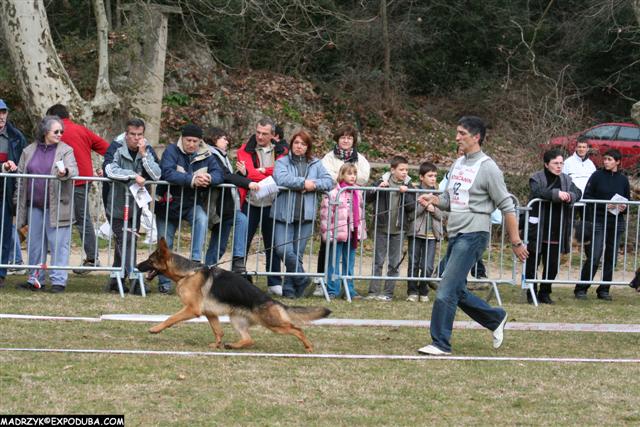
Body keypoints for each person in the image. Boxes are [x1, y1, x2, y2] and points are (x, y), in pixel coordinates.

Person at [417, 116, 528, 356]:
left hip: (474, 234)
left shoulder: (488, 168)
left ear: (476, 137)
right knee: (453, 288)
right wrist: (434, 199)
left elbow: (507, 206)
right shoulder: (458, 163)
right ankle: (495, 318)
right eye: (457, 133)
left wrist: (516, 241)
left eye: (462, 133)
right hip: (456, 233)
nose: (457, 137)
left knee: (446, 288)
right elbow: (450, 199)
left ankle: (440, 343)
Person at [155, 124, 223, 294]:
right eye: (188, 140)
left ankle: (195, 264)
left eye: (195, 141)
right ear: (182, 138)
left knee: (201, 218)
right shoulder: (171, 151)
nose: (191, 144)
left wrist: (209, 178)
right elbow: (167, 172)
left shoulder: (207, 154)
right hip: (167, 204)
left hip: (191, 204)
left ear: (200, 141)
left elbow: (219, 174)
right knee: (165, 245)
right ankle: (164, 283)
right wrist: (192, 180)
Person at [14, 115, 78, 293]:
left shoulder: (66, 150)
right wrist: (17, 201)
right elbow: (20, 177)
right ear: (45, 132)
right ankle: (35, 279)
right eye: (56, 131)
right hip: (34, 206)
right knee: (35, 245)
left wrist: (65, 172)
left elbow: (74, 170)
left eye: (61, 131)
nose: (60, 134)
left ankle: (58, 281)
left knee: (59, 245)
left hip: (58, 206)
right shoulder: (28, 150)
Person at [46, 104, 109, 273]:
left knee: (60, 216)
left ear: (53, 118)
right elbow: (107, 148)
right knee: (82, 219)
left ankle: (90, 258)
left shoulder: (54, 132)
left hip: (66, 180)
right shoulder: (82, 130)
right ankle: (90, 257)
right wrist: (109, 167)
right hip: (82, 180)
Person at [272, 130, 333, 298]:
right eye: (296, 143)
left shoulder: (316, 163)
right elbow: (281, 179)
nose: (299, 146)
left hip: (306, 215)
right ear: (291, 144)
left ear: (308, 147)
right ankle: (303, 278)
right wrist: (303, 183)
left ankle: (290, 290)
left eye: (303, 144)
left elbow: (329, 181)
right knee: (283, 250)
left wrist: (313, 185)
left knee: (297, 254)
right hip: (283, 213)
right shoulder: (282, 162)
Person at [103, 118, 161, 294]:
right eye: (133, 134)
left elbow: (157, 174)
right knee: (125, 240)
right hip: (115, 204)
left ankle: (116, 280)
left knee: (126, 241)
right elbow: (109, 169)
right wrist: (133, 175)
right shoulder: (116, 146)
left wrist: (144, 155)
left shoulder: (146, 148)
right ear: (126, 134)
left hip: (135, 206)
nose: (136, 138)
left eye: (140, 134)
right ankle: (135, 280)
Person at [313, 124, 371, 295]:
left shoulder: (360, 159)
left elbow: (363, 177)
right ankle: (331, 287)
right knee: (331, 256)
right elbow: (326, 175)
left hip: (352, 225)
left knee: (349, 258)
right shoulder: (328, 157)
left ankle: (348, 288)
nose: (346, 140)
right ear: (337, 139)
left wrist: (347, 175)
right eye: (343, 137)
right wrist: (340, 177)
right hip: (336, 224)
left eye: (349, 138)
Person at [236, 118, 288, 295]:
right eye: (258, 132)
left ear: (273, 135)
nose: (259, 136)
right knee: (242, 242)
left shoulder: (282, 151)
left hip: (273, 203)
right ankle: (238, 278)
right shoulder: (244, 149)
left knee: (272, 244)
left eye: (264, 134)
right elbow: (249, 174)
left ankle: (274, 281)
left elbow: (280, 175)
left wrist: (262, 171)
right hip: (250, 202)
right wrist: (257, 174)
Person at [524, 149, 581, 304]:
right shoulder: (536, 178)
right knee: (532, 263)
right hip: (538, 228)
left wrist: (570, 196)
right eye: (555, 163)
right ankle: (531, 292)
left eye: (561, 163)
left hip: (557, 228)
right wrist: (557, 194)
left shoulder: (566, 179)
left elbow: (578, 192)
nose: (559, 166)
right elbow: (538, 192)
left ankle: (545, 292)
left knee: (553, 265)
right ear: (546, 164)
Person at [574, 149, 630, 301]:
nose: (606, 162)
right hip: (598, 220)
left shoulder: (623, 180)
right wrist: (604, 205)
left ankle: (604, 289)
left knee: (611, 257)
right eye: (605, 159)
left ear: (617, 162)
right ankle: (581, 288)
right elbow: (587, 196)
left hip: (616, 222)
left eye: (609, 159)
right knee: (594, 255)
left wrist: (623, 207)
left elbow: (628, 200)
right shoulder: (597, 176)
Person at [203, 127, 258, 274]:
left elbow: (227, 176)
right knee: (219, 244)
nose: (227, 142)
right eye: (224, 138)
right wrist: (247, 182)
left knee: (219, 245)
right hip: (218, 206)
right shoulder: (211, 155)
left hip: (226, 206)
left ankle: (211, 270)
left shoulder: (221, 155)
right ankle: (234, 261)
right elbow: (225, 176)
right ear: (214, 138)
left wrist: (242, 174)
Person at [366, 155, 411, 301]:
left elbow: (412, 207)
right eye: (401, 169)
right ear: (392, 170)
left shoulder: (409, 185)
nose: (404, 172)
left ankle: (388, 293)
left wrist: (407, 193)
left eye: (406, 170)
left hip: (398, 230)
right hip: (381, 228)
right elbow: (367, 197)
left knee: (394, 263)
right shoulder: (381, 181)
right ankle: (373, 292)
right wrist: (377, 188)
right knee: (378, 261)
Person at [319, 163, 367, 299]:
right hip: (337, 233)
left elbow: (361, 213)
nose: (353, 176)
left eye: (354, 174)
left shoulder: (358, 192)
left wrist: (360, 230)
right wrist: (328, 233)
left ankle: (348, 289)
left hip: (352, 232)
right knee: (333, 262)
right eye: (349, 173)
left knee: (349, 262)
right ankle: (332, 290)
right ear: (342, 175)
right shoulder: (334, 193)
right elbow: (326, 215)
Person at [406, 161, 443, 303]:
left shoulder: (439, 193)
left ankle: (423, 290)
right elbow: (411, 215)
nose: (433, 178)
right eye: (430, 176)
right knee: (413, 263)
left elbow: (443, 216)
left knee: (428, 266)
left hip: (432, 235)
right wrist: (423, 205)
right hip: (416, 233)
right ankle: (412, 291)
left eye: (435, 176)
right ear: (422, 177)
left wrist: (433, 209)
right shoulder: (414, 191)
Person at [0, 99, 27, 288]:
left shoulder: (16, 136)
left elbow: (24, 163)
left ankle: (1, 273)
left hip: (6, 193)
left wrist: (16, 168)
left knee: (5, 233)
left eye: (3, 112)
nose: (1, 116)